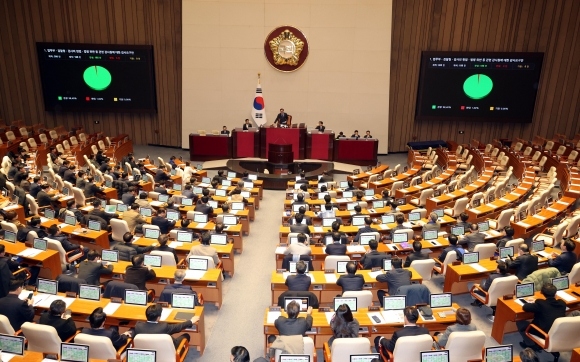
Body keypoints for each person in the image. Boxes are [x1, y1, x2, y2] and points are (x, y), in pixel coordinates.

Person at [517, 283, 566, 350]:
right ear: (555, 293)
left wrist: (534, 303)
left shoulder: (541, 304)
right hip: (557, 332)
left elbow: (525, 307)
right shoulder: (562, 303)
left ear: (542, 293)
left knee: (519, 322)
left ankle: (531, 345)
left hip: (543, 333)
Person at [134, 304, 199, 348]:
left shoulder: (138, 326)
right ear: (158, 317)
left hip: (148, 349)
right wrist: (191, 321)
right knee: (186, 336)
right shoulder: (163, 327)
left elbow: (133, 330)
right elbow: (178, 327)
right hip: (167, 349)